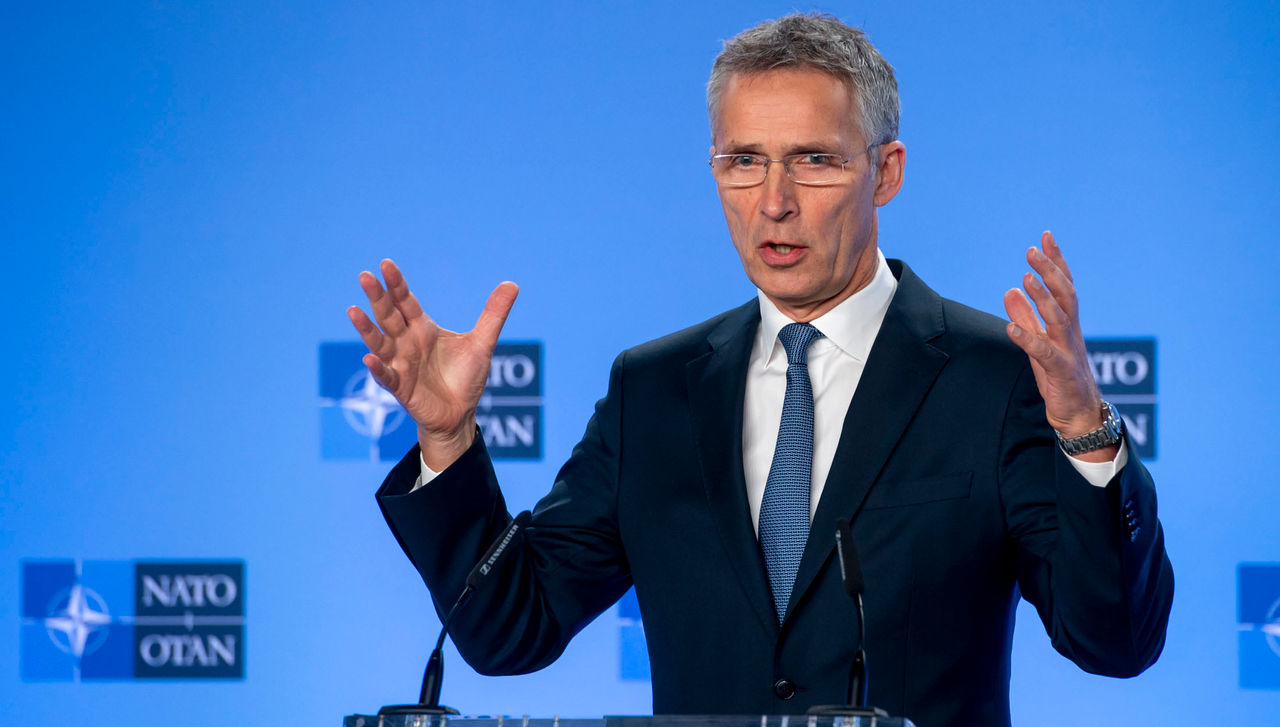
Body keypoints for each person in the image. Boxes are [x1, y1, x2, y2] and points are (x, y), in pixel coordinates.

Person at [349, 13, 1173, 727]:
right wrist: (449, 436)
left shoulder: (993, 376)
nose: (773, 200)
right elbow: (508, 630)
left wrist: (1082, 430)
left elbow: (1116, 641)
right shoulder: (655, 390)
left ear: (885, 172)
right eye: (743, 160)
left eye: (813, 160)